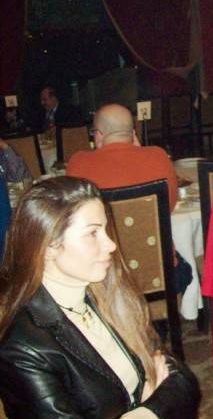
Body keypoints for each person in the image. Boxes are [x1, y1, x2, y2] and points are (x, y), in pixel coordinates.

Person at [0, 177, 200, 417]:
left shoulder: (105, 293)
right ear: (49, 245)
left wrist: (149, 405)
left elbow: (182, 378)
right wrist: (146, 411)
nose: (111, 245)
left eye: (105, 230)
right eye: (92, 233)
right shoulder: (23, 347)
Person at [67, 104, 191, 293]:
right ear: (133, 133)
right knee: (185, 269)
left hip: (103, 278)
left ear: (98, 135)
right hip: (160, 275)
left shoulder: (78, 163)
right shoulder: (158, 156)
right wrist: (144, 154)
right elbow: (169, 207)